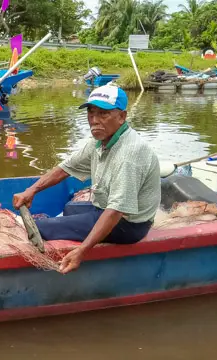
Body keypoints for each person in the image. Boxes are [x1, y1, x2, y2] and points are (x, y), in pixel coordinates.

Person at [12, 85, 161, 274]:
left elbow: (116, 211)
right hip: (105, 208)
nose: (94, 121)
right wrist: (31, 190)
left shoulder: (129, 155)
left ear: (122, 117)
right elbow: (65, 168)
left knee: (41, 228)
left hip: (129, 225)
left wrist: (82, 252)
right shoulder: (101, 141)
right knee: (68, 208)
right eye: (91, 114)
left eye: (103, 114)